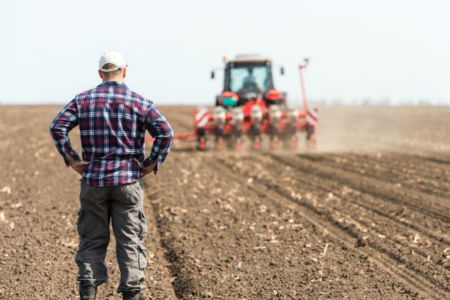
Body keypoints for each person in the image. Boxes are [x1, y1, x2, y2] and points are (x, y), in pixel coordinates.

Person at [49, 51, 174, 300]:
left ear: (100, 74)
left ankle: (88, 293)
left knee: (92, 239)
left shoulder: (83, 100)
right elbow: (166, 133)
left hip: (93, 181)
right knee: (129, 240)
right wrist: (151, 163)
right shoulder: (140, 102)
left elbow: (57, 126)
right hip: (127, 181)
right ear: (125, 71)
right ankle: (132, 294)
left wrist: (72, 159)